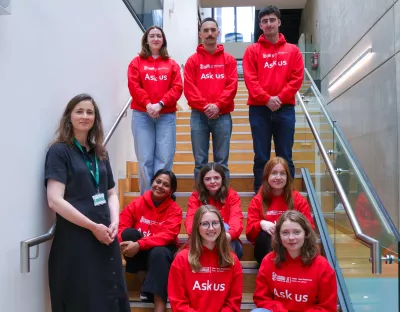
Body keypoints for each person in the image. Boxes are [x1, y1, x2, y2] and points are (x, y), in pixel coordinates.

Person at [45, 93, 130, 312]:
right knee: (82, 301)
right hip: (76, 241)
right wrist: (93, 227)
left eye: (90, 112)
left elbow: (111, 193)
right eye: (79, 111)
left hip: (105, 238)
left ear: (95, 118)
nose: (85, 116)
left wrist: (115, 222)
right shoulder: (59, 151)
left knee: (110, 298)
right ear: (69, 117)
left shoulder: (99, 152)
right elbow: (54, 200)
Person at [243, 5, 304, 193]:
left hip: (285, 109)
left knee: (285, 156)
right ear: (260, 25)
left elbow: (296, 78)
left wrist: (279, 98)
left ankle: (288, 197)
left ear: (279, 22)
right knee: (261, 156)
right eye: (264, 21)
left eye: (272, 20)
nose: (269, 24)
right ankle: (260, 196)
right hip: (259, 110)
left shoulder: (293, 51)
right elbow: (250, 79)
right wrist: (267, 99)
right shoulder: (252, 51)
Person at [128, 25, 183, 194]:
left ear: (163, 40)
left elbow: (177, 87)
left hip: (166, 116)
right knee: (145, 159)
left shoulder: (172, 64)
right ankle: (146, 197)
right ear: (146, 39)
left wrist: (160, 104)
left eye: (159, 35)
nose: (156, 38)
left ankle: (162, 196)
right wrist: (147, 104)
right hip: (142, 115)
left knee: (164, 159)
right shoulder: (136, 62)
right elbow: (134, 86)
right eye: (152, 35)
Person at [118, 169, 182, 312]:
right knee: (128, 233)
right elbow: (121, 226)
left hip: (163, 252)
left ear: (171, 191)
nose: (160, 186)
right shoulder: (137, 203)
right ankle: (145, 284)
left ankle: (159, 307)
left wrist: (140, 244)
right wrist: (125, 243)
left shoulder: (175, 210)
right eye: (157, 181)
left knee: (158, 252)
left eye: (166, 185)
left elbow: (168, 236)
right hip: (141, 252)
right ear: (152, 182)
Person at [184, 17, 238, 182]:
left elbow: (232, 86)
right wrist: (206, 106)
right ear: (200, 34)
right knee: (200, 163)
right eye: (206, 30)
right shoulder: (192, 60)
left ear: (218, 32)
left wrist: (218, 106)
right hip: (198, 116)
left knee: (222, 163)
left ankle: (223, 200)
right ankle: (201, 200)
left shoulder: (228, 60)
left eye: (212, 30)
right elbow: (189, 88)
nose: (209, 34)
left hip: (222, 115)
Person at [251, 210, 337, 312]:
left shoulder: (322, 266)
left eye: (297, 232)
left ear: (306, 234)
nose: (291, 238)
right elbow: (261, 298)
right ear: (279, 235)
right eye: (285, 233)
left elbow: (327, 307)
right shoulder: (269, 260)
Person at [168, 205, 243, 312]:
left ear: (221, 226)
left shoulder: (232, 260)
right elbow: (178, 302)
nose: (211, 228)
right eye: (205, 224)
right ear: (197, 227)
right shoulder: (182, 259)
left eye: (215, 223)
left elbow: (233, 303)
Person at [246, 157, 314, 264]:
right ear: (266, 176)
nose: (278, 177)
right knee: (264, 235)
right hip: (267, 249)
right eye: (274, 173)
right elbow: (250, 235)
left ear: (287, 177)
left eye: (282, 173)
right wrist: (261, 224)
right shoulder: (257, 200)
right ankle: (271, 269)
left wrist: (288, 231)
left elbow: (310, 227)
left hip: (293, 247)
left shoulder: (298, 199)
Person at [185, 162, 244, 259]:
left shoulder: (232, 195)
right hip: (202, 237)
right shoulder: (195, 197)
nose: (212, 181)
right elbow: (190, 220)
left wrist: (228, 235)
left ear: (222, 179)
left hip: (226, 238)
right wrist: (203, 236)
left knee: (226, 231)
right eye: (208, 179)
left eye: (216, 178)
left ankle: (226, 270)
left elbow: (236, 218)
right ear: (202, 181)